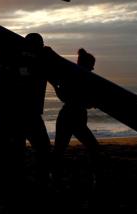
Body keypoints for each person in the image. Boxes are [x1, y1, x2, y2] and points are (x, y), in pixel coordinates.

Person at [52, 48, 100, 180]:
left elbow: (63, 95)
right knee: (92, 147)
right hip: (72, 117)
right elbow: (72, 98)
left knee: (59, 150)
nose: (92, 69)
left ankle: (54, 176)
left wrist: (56, 86)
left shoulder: (73, 76)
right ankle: (96, 176)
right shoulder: (78, 78)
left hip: (68, 116)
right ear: (86, 65)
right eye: (91, 67)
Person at [17, 33, 51, 183]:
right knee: (42, 147)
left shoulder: (36, 61)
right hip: (26, 113)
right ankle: (37, 178)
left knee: (38, 148)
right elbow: (25, 78)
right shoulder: (26, 62)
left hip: (28, 112)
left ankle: (34, 177)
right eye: (39, 44)